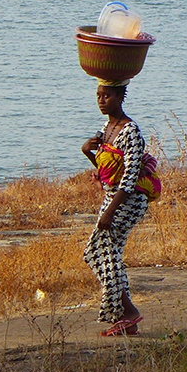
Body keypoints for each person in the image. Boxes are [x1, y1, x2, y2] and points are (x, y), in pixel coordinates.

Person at [80, 81, 156, 336]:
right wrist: (87, 153)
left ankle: (129, 311)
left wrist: (110, 212)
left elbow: (130, 176)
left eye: (107, 96)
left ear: (121, 97)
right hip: (113, 197)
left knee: (97, 251)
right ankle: (127, 318)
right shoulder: (107, 128)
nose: (102, 100)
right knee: (104, 253)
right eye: (99, 96)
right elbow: (106, 172)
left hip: (128, 201)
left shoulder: (130, 131)